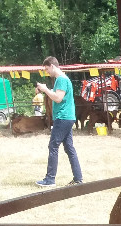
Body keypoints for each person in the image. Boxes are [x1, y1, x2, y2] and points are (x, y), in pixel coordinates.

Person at [35, 56, 83, 187]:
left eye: (47, 69)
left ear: (52, 66)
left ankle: (50, 179)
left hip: (63, 118)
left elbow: (58, 98)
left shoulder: (61, 79)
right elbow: (58, 96)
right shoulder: (63, 79)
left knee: (53, 146)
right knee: (69, 148)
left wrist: (45, 89)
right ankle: (78, 178)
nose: (47, 72)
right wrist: (45, 90)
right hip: (67, 117)